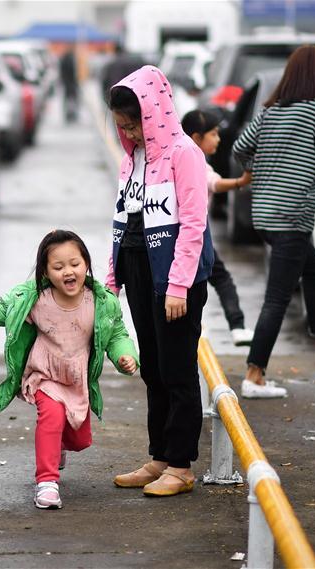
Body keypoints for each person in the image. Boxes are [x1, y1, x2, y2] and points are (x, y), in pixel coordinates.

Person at [0, 229, 139, 510]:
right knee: (51, 417)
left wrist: (125, 356)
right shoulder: (35, 300)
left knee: (80, 439)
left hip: (76, 381)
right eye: (58, 266)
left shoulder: (100, 302)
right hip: (44, 376)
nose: (68, 271)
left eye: (75, 264)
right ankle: (47, 482)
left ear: (86, 264)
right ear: (46, 271)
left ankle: (59, 447)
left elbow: (117, 335)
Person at [231, 45, 315, 399]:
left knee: (314, 267)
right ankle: (254, 375)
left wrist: (254, 170)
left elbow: (239, 147)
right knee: (276, 300)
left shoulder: (271, 111)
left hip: (265, 216)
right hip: (292, 218)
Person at [105, 65, 213, 497]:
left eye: (134, 123)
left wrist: (178, 285)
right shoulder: (133, 159)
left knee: (177, 369)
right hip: (137, 268)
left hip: (173, 279)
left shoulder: (184, 153)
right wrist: (113, 279)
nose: (129, 132)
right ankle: (159, 457)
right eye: (122, 126)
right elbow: (122, 219)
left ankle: (182, 465)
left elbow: (193, 224)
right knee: (152, 367)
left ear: (153, 112)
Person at [181, 108, 254, 347]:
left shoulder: (184, 158)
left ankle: (233, 326)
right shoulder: (193, 161)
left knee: (209, 279)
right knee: (218, 279)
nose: (218, 139)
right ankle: (237, 326)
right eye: (213, 134)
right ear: (196, 138)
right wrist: (241, 182)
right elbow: (214, 183)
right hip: (196, 236)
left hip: (190, 236)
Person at [59, 48, 79, 123]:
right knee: (73, 98)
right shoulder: (71, 60)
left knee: (67, 98)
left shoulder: (63, 60)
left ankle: (67, 113)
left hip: (66, 82)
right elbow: (73, 73)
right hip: (71, 82)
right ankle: (72, 113)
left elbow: (61, 72)